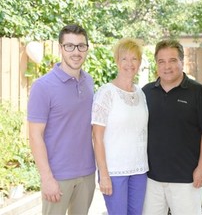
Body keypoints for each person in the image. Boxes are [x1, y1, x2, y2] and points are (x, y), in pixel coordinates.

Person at [27, 24, 96, 215]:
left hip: (87, 174)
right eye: (70, 46)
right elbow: (35, 136)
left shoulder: (89, 82)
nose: (76, 52)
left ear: (87, 48)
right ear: (60, 48)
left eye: (81, 46)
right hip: (58, 176)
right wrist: (47, 178)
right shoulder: (43, 86)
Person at [142, 39, 202, 215]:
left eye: (172, 60)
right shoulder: (145, 93)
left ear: (182, 61)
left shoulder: (198, 92)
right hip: (151, 178)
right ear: (156, 65)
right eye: (161, 61)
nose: (167, 66)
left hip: (186, 178)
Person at [91, 38, 149, 215]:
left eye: (134, 59)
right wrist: (104, 175)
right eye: (124, 58)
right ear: (117, 61)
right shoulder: (106, 92)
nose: (129, 64)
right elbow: (97, 137)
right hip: (115, 171)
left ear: (139, 62)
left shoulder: (141, 93)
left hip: (140, 169)